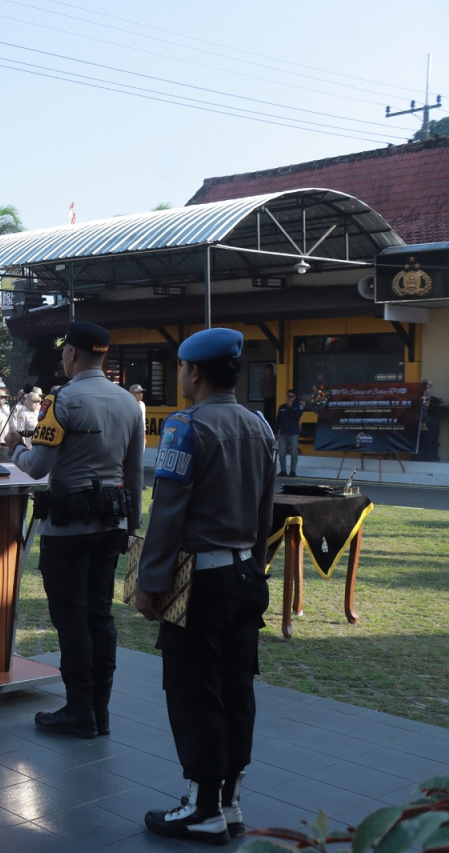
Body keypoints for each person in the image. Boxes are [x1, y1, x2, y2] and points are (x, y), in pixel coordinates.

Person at [135, 328, 275, 846]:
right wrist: (256, 567)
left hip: (201, 583)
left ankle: (202, 808)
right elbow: (265, 510)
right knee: (239, 690)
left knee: (195, 691)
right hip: (244, 576)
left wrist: (150, 583)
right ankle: (230, 802)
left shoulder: (185, 427)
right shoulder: (259, 425)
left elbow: (168, 514)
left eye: (180, 367)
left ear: (194, 372)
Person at [10, 321, 144, 739]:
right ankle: (99, 712)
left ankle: (78, 710)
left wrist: (16, 447)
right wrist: (131, 525)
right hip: (112, 524)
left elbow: (37, 467)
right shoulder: (128, 402)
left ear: (71, 354)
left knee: (71, 618)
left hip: (68, 527)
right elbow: (134, 471)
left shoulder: (62, 401)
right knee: (101, 615)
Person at [0, 388, 42, 453]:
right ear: (28, 401)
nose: (36, 404)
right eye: (34, 401)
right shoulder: (23, 413)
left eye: (38, 401)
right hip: (28, 445)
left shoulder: (38, 412)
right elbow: (20, 431)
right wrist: (23, 446)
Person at [273, 390, 304, 477]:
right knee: (282, 453)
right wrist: (275, 432)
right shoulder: (282, 407)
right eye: (288, 396)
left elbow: (298, 416)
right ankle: (283, 470)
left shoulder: (299, 406)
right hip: (283, 433)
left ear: (295, 397)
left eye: (291, 396)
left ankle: (293, 471)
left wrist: (291, 407)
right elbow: (278, 420)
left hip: (294, 433)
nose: (289, 398)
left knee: (293, 453)